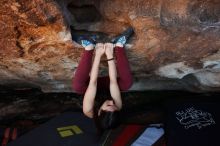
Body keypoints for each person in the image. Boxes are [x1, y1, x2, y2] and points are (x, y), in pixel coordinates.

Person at [72, 27, 134, 132]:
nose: (111, 101)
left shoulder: (88, 110)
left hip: (91, 86)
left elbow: (93, 83)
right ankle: (119, 45)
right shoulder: (117, 108)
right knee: (127, 84)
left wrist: (98, 54)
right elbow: (113, 81)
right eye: (113, 105)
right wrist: (110, 54)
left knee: (77, 87)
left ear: (100, 111)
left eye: (108, 105)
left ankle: (88, 47)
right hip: (109, 83)